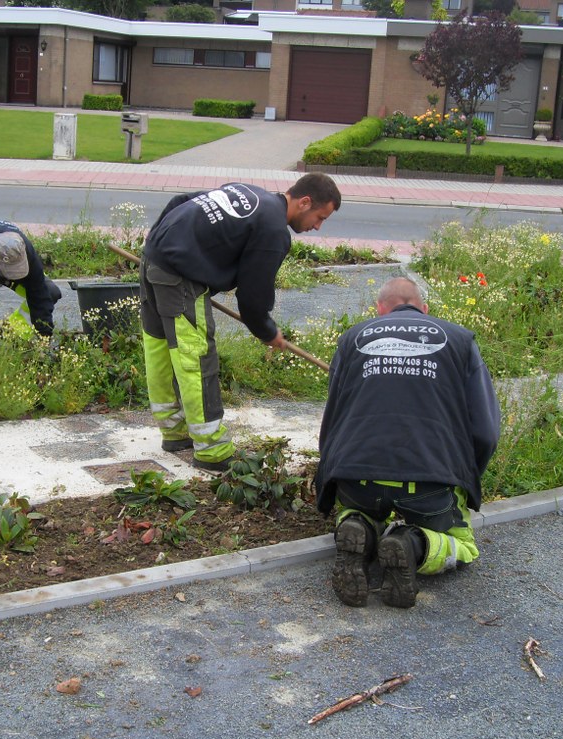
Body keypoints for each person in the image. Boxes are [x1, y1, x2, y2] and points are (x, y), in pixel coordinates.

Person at [315, 276, 500, 609]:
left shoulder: (351, 339)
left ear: (380, 311)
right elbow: (485, 430)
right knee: (464, 545)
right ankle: (413, 545)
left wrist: (330, 478)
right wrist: (466, 477)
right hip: (428, 484)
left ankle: (359, 526)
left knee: (355, 508)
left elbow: (333, 421)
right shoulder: (459, 341)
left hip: (359, 478)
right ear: (424, 310)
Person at [140, 174, 342, 472]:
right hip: (180, 275)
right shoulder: (274, 230)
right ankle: (212, 449)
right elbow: (252, 297)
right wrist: (266, 330)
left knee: (159, 347)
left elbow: (182, 202)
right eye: (319, 217)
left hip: (154, 259)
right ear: (305, 202)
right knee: (194, 357)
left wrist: (159, 242)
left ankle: (174, 431)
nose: (317, 226)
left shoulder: (248, 192)